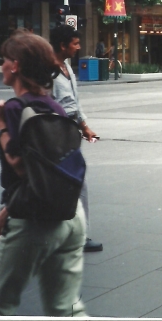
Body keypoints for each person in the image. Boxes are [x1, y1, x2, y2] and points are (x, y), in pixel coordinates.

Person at [0, 29, 87, 316]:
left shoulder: (14, 108)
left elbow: (20, 165)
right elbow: (41, 174)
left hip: (36, 222)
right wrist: (2, 219)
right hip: (72, 214)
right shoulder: (53, 106)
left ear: (16, 65)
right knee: (65, 308)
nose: (1, 65)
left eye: (4, 59)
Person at [50, 25, 102, 253]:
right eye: (75, 43)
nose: (79, 47)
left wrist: (84, 126)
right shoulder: (47, 71)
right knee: (70, 184)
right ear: (62, 45)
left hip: (69, 134)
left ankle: (77, 233)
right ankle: (68, 235)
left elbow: (74, 102)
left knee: (76, 184)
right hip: (55, 136)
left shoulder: (67, 68)